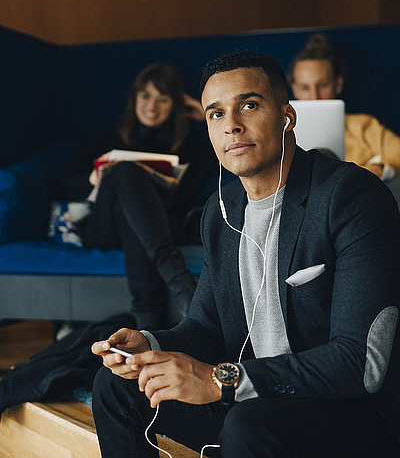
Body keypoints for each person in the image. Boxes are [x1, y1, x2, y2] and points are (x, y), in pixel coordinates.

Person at [91, 50, 400, 458]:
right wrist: (148, 345)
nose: (232, 126)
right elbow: (205, 327)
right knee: (116, 386)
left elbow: (360, 363)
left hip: (349, 413)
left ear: (287, 116)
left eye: (249, 105)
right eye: (215, 114)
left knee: (248, 423)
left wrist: (222, 380)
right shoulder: (221, 214)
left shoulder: (351, 197)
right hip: (257, 401)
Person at [54, 63, 216, 330]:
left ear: (175, 105)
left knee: (135, 220)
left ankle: (147, 324)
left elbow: (226, 160)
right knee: (125, 172)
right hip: (104, 229)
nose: (152, 106)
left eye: (163, 99)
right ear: (134, 99)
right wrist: (92, 179)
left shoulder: (189, 150)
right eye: (145, 96)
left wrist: (207, 116)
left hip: (161, 227)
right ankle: (179, 280)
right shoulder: (106, 139)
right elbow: (61, 185)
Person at [288, 33, 400, 181]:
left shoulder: (364, 126)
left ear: (338, 84)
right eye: (305, 87)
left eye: (323, 85)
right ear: (294, 89)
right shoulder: (281, 131)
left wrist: (378, 169)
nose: (315, 96)